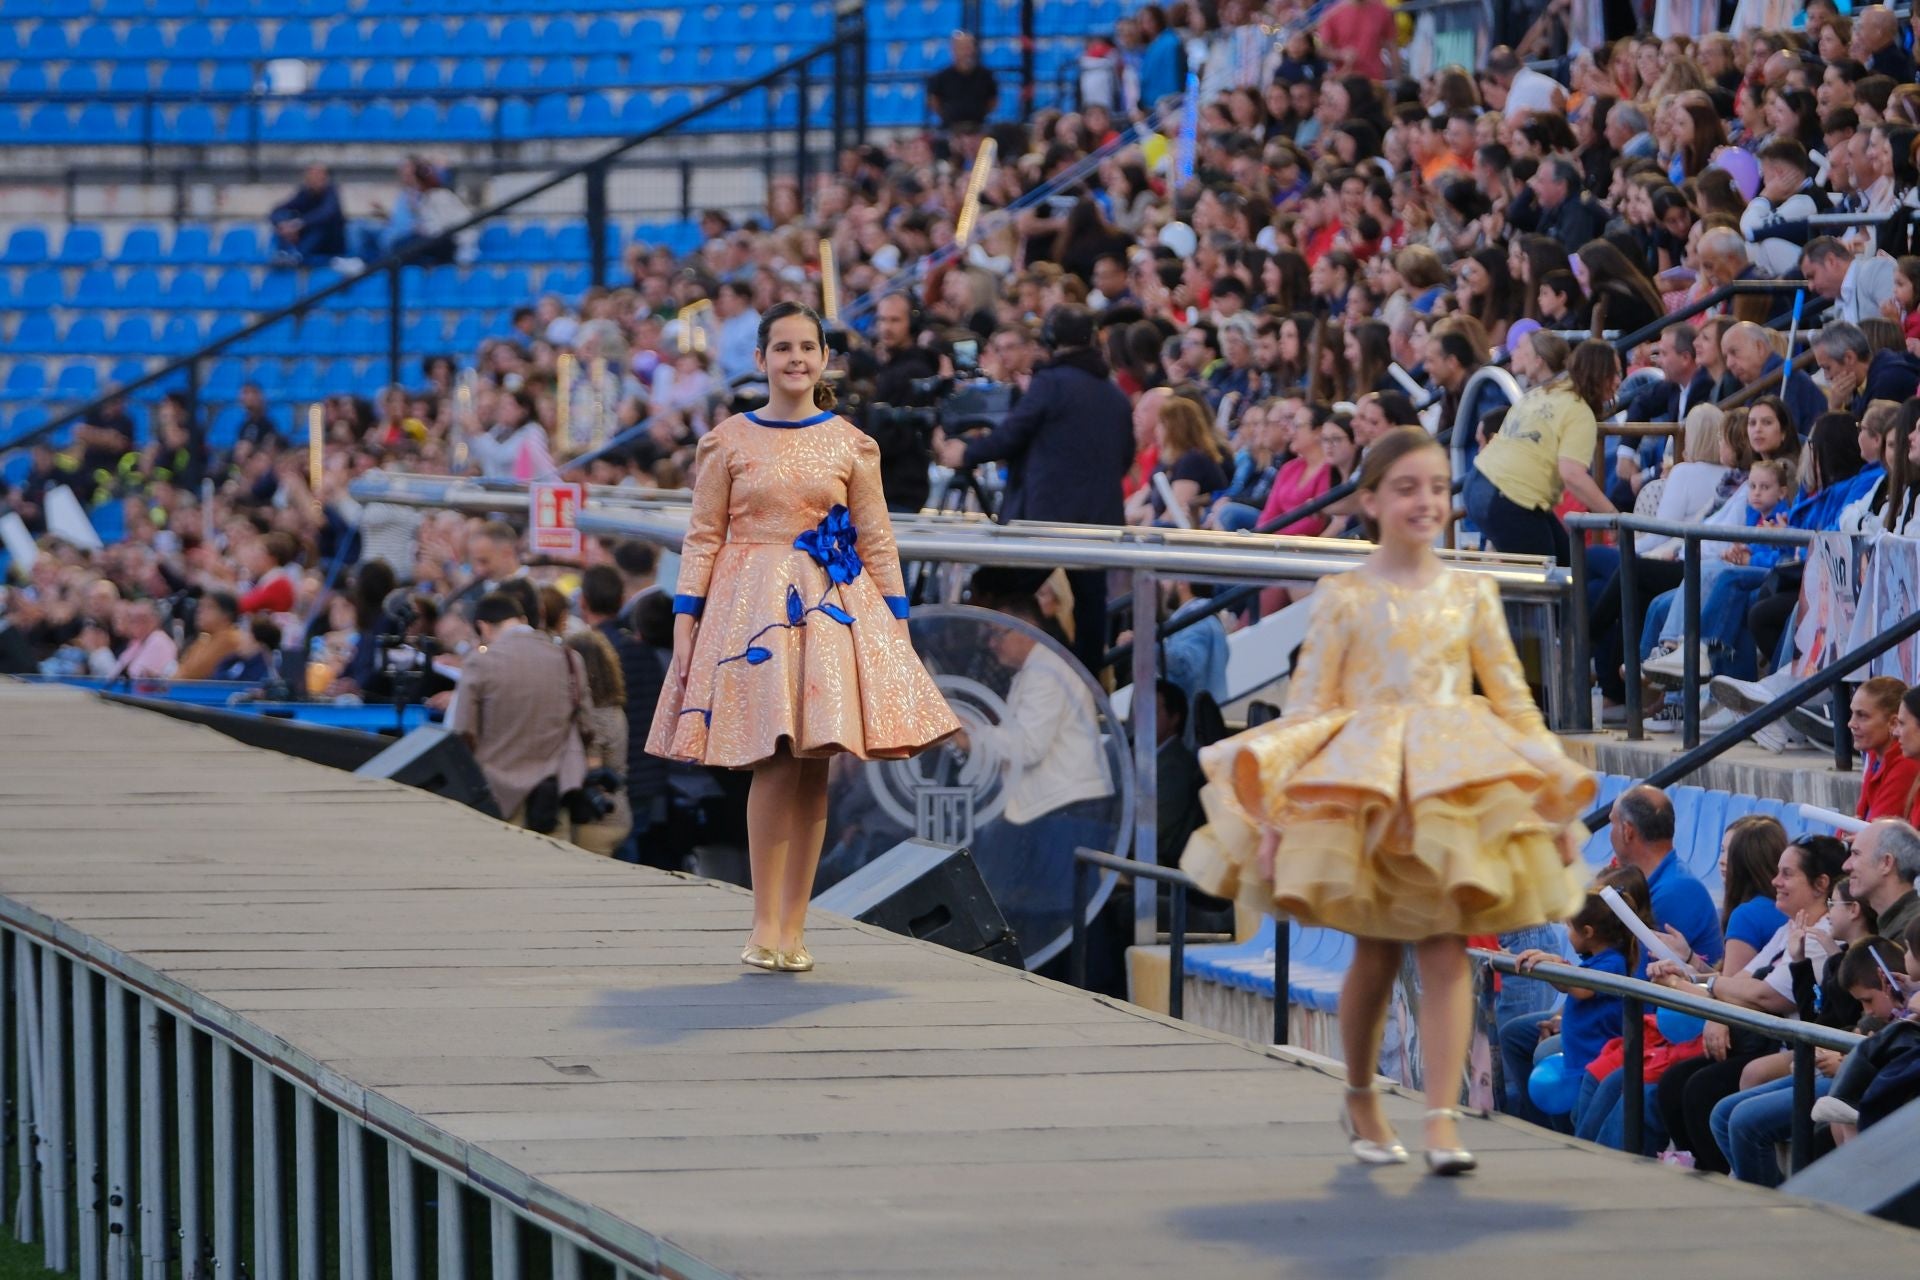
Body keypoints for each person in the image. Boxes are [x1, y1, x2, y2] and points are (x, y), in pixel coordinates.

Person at [1181, 427, 1593, 1175]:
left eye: (1436, 486)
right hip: (1368, 785)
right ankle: (1363, 1094)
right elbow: (1310, 707)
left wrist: (1552, 797)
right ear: (1369, 500)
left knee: (1446, 948)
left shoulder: (1471, 592)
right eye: (1406, 488)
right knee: (1374, 953)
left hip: (1449, 784)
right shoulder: (1344, 596)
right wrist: (1276, 813)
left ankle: (1440, 1120)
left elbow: (1514, 702)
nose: (1425, 501)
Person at [648, 302, 959, 973]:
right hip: (750, 606)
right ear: (760, 359)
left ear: (823, 359)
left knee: (815, 762)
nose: (796, 359)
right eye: (783, 348)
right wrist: (685, 616)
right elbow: (703, 536)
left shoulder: (852, 444)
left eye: (807, 348)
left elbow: (877, 539)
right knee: (774, 756)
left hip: (830, 609)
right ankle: (765, 924)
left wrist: (896, 627)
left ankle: (794, 927)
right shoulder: (728, 440)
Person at [937, 305, 1134, 674]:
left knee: (996, 590)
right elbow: (1124, 458)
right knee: (1090, 611)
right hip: (1099, 524)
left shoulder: (1051, 383)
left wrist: (967, 452)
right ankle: (1086, 689)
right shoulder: (1114, 394)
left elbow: (1013, 434)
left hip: (1048, 524)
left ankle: (982, 673)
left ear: (1049, 341)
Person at [1465, 338, 1619, 563]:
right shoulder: (1580, 412)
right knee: (1550, 577)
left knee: (1568, 563)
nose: (1618, 381)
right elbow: (1572, 475)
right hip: (1509, 498)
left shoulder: (1543, 392)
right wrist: (1613, 517)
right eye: (1614, 374)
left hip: (1478, 484)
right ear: (1600, 376)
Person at [451, 591, 589, 831]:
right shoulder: (569, 660)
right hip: (552, 798)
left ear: (483, 627)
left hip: (495, 798)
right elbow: (586, 725)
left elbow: (463, 730)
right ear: (523, 620)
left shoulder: (480, 662)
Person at [579, 563, 668, 863]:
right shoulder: (642, 649)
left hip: (615, 777)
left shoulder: (592, 653)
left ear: (583, 602)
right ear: (621, 600)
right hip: (650, 772)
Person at [562, 628, 633, 859]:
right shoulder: (614, 710)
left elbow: (592, 770)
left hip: (596, 819)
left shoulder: (593, 718)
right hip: (619, 810)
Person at [1846, 814, 1920, 943]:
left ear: (1886, 863)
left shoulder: (1911, 931)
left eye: (1856, 854)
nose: (1846, 866)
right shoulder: (1901, 924)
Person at [1852, 678, 1918, 822]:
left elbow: (1876, 831)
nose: (1851, 723)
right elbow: (1859, 819)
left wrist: (1852, 829)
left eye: (1862, 715)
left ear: (1892, 722)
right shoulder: (1875, 756)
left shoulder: (1907, 764)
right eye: (1853, 713)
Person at [269, 164, 345, 265]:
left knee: (320, 227)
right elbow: (278, 210)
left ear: (325, 177)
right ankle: (285, 253)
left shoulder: (331, 193)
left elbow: (326, 213)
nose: (314, 179)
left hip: (330, 243)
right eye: (311, 175)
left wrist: (299, 224)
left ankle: (296, 255)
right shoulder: (305, 194)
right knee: (284, 216)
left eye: (318, 175)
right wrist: (283, 225)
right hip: (304, 237)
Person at [927, 31, 999, 131]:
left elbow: (993, 100)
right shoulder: (941, 76)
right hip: (950, 129)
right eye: (961, 48)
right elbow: (934, 101)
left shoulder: (986, 75)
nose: (966, 52)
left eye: (968, 47)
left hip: (978, 128)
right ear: (953, 50)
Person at [173, 590, 246, 682]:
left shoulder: (230, 639)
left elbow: (193, 673)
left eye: (209, 607)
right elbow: (183, 670)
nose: (200, 611)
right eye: (200, 606)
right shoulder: (206, 638)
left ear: (226, 615)